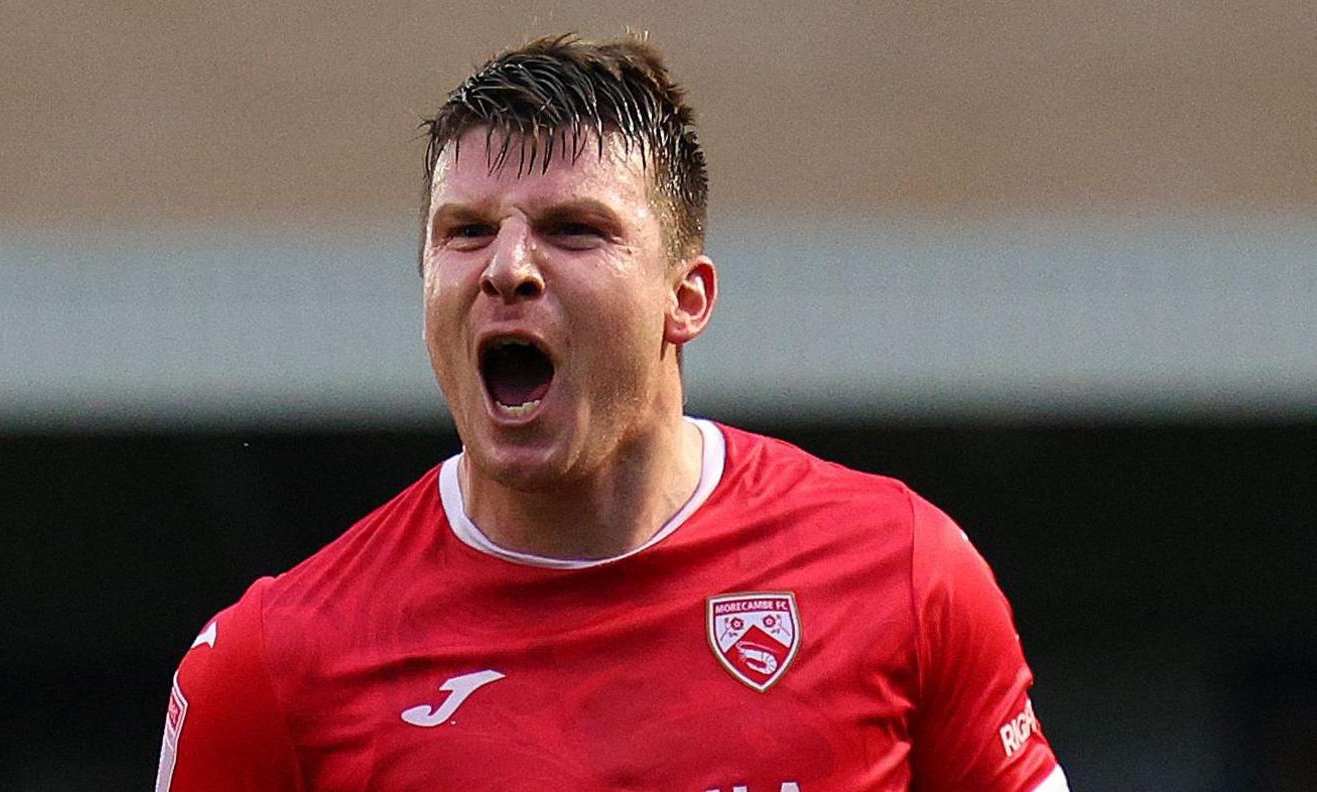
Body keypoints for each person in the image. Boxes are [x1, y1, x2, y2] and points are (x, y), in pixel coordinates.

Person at [156, 33, 1069, 792]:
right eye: (466, 231)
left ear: (688, 299)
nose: (506, 267)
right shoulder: (272, 665)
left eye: (573, 230)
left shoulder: (905, 575)